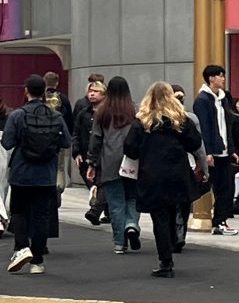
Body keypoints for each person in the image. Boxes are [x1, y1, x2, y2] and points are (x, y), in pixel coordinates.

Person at [123, 82, 203, 278]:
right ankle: (174, 241)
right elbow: (195, 142)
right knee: (174, 210)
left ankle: (165, 261)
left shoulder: (142, 122)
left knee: (159, 217)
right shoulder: (180, 120)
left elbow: (130, 148)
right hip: (177, 173)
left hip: (152, 174)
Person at [2, 74, 71, 274]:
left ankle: (22, 248)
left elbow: (7, 143)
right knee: (41, 216)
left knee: (19, 212)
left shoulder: (17, 115)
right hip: (46, 174)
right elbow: (66, 142)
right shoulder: (55, 116)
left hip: (21, 173)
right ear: (44, 92)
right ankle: (37, 261)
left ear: (26, 91)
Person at [86, 77, 140, 255]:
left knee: (116, 202)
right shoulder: (135, 110)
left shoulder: (102, 112)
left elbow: (96, 139)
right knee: (132, 197)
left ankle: (119, 242)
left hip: (110, 161)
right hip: (132, 160)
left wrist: (92, 162)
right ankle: (131, 224)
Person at [192, 64, 239, 236]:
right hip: (212, 153)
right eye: (220, 75)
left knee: (226, 188)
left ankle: (220, 221)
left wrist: (231, 149)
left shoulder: (223, 99)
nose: (223, 79)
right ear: (211, 78)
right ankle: (215, 221)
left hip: (224, 151)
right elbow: (204, 128)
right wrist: (208, 152)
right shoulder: (202, 100)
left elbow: (227, 125)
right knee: (208, 186)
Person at [171, 84, 209, 252]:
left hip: (166, 166)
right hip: (188, 164)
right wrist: (205, 169)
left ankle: (173, 234)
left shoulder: (157, 118)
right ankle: (180, 233)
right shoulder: (190, 119)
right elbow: (199, 146)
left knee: (170, 203)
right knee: (183, 202)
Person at [75, 80, 107, 225]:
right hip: (85, 153)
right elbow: (76, 132)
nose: (92, 94)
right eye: (90, 91)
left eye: (96, 91)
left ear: (104, 94)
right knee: (93, 183)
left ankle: (97, 210)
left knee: (102, 183)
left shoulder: (107, 113)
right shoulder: (84, 113)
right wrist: (76, 152)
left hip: (103, 155)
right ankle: (99, 207)